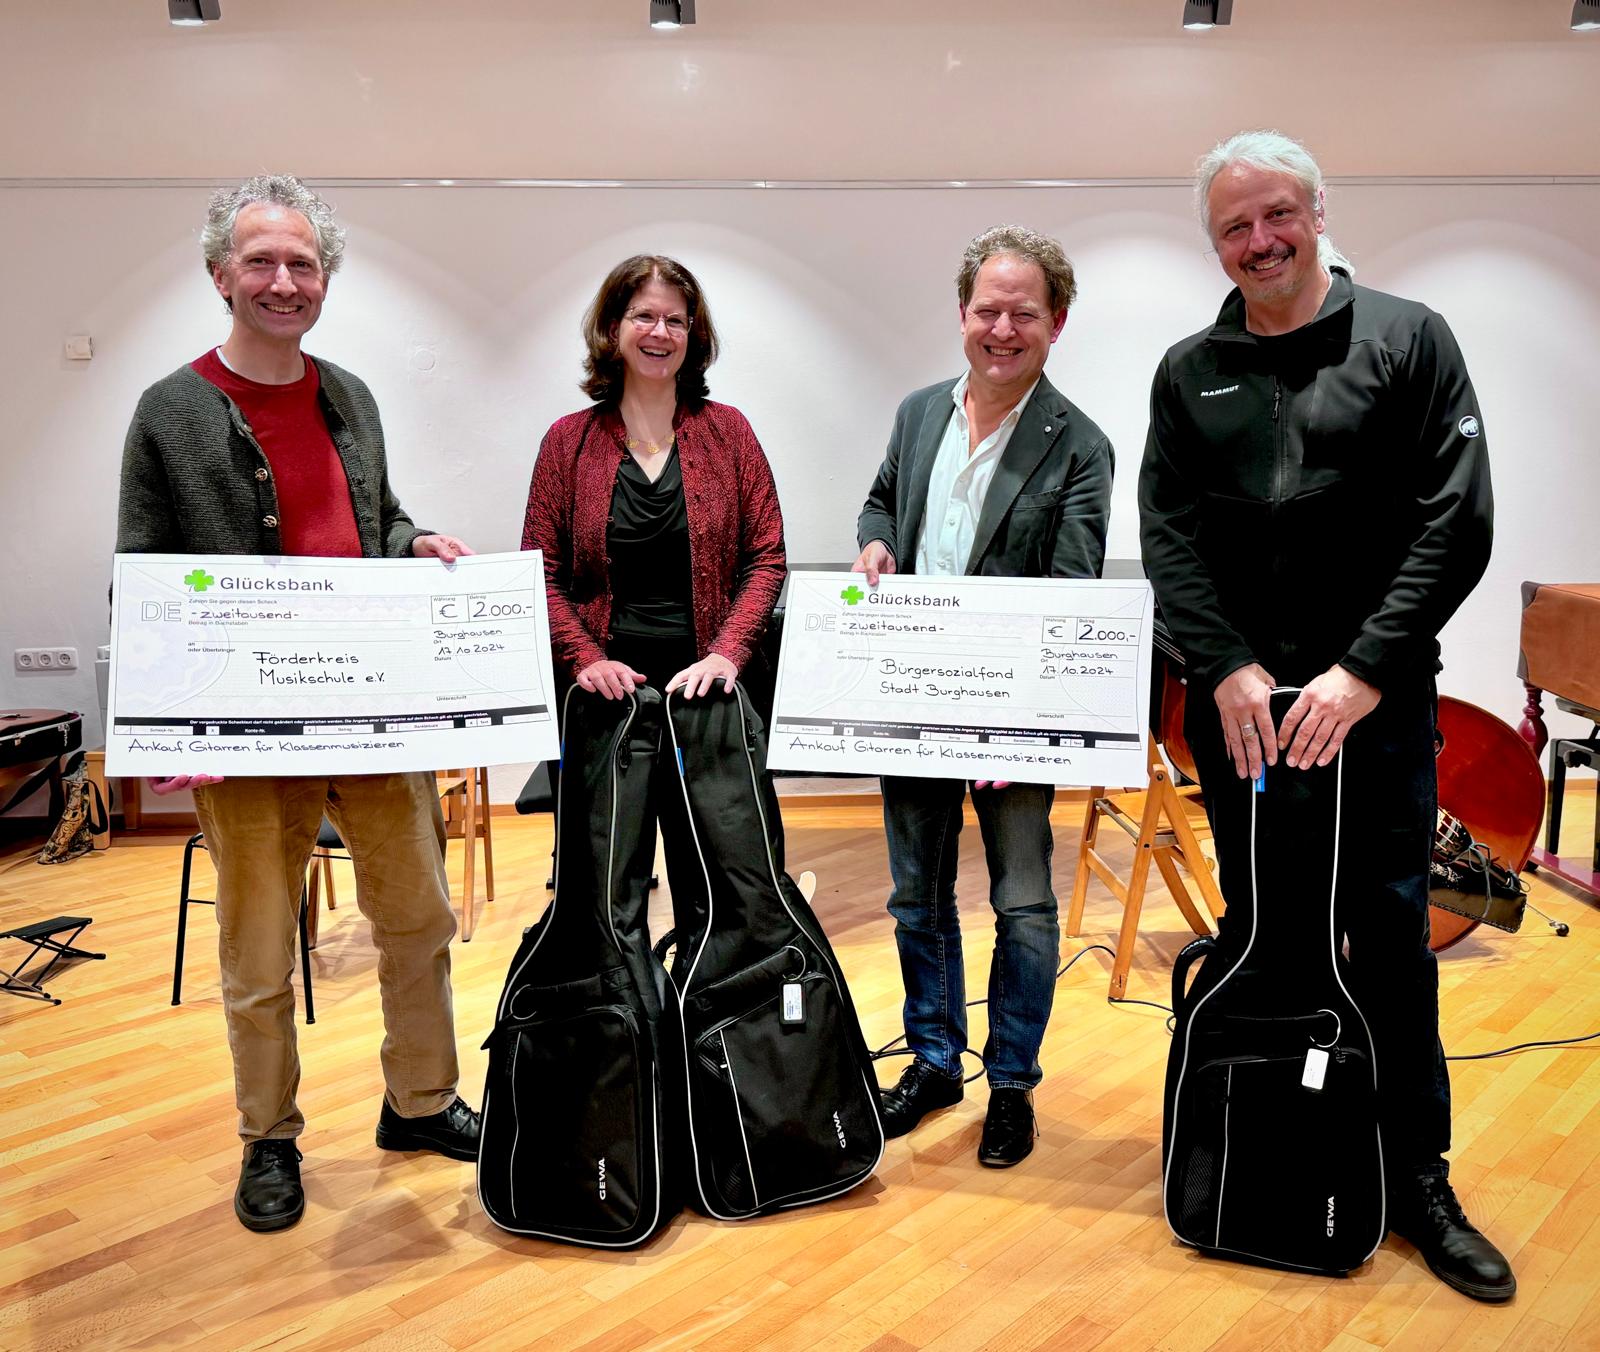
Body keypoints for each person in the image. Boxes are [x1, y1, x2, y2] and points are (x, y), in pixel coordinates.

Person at [1139, 130, 1512, 1301]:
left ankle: (1420, 1181)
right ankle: (1281, 1145)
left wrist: (1359, 673)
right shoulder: (1187, 367)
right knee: (1265, 932)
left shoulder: (1408, 340)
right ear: (1216, 244)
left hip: (1373, 712)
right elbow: (1169, 534)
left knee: (1389, 946)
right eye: (1234, 227)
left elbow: (1454, 522)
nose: (1259, 241)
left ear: (1314, 212)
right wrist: (1228, 667)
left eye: (1276, 215)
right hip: (1243, 716)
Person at [115, 175, 480, 1234]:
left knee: (417, 918)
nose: (284, 281)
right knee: (259, 945)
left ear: (326, 278)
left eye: (303, 263)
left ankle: (418, 1100)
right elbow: (140, 571)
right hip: (244, 733)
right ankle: (267, 1135)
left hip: (372, 712)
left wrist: (412, 538)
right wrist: (168, 717)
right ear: (220, 273)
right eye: (262, 261)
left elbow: (373, 510)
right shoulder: (169, 411)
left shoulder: (351, 395)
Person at [853, 225, 1114, 1167]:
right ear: (963, 313)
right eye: (987, 310)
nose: (1002, 328)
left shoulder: (1081, 444)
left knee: (1024, 907)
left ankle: (1011, 1083)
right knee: (915, 901)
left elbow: (1072, 590)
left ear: (1057, 322)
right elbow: (881, 501)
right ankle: (932, 1061)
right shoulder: (919, 411)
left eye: (1023, 313)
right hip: (913, 701)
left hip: (1012, 723)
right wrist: (877, 541)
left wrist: (1018, 733)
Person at [519, 254, 786, 886]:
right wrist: (585, 659)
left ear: (694, 336)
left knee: (722, 883)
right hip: (607, 701)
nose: (659, 333)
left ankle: (710, 991)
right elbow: (541, 572)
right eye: (644, 316)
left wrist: (728, 654)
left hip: (710, 697)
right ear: (613, 327)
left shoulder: (729, 433)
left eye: (676, 320)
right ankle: (623, 990)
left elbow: (767, 555)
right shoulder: (567, 441)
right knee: (610, 889)